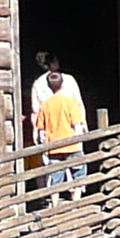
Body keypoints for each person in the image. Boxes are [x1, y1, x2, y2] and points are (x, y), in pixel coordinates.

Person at [31, 52, 87, 191]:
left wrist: (37, 131)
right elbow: (78, 104)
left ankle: (53, 199)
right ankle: (75, 198)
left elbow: (36, 111)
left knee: (54, 169)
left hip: (52, 134)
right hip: (71, 130)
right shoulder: (69, 80)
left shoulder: (38, 84)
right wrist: (83, 124)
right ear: (53, 63)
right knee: (76, 166)